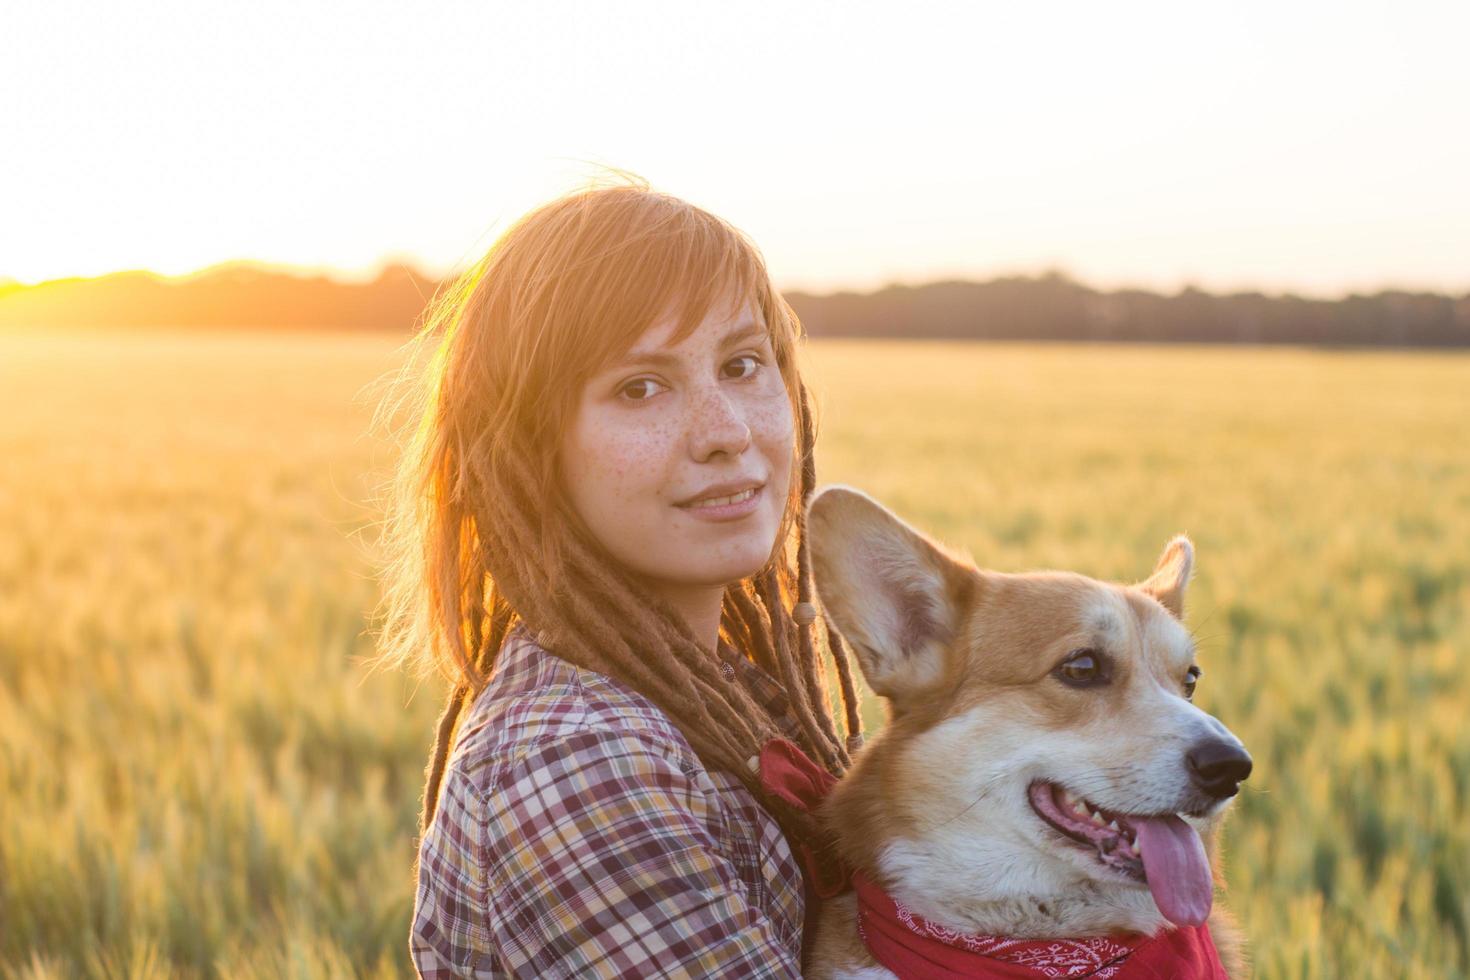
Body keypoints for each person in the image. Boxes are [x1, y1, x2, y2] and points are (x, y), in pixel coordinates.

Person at [372, 176, 864, 977]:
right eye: (641, 387)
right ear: (531, 452)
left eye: (743, 364)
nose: (727, 432)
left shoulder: (716, 693)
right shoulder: (574, 766)